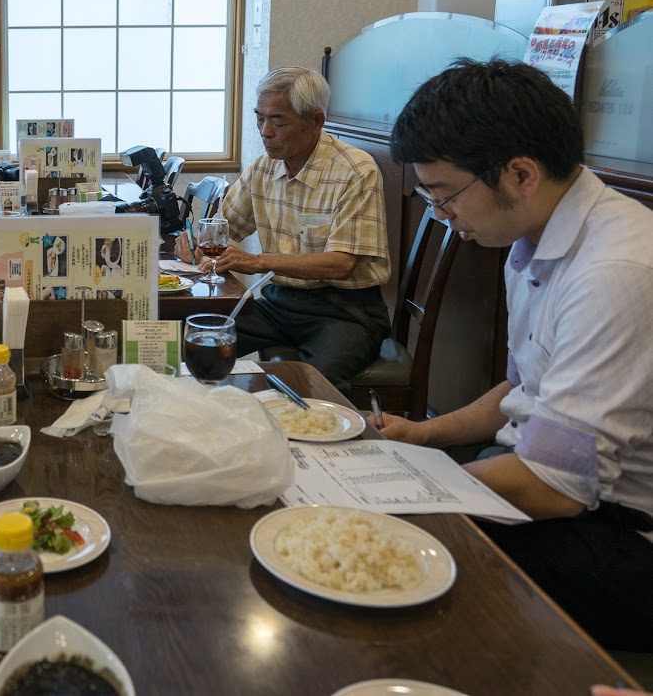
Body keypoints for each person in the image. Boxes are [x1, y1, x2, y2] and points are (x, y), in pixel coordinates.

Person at [375, 58, 653, 652]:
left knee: (394, 576)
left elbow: (557, 485)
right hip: (552, 486)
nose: (439, 214)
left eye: (445, 194)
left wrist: (407, 498)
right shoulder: (534, 237)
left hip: (619, 535)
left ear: (521, 173)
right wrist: (424, 437)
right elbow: (522, 390)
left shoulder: (616, 270)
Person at [175, 66, 391, 391]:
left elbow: (342, 263)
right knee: (182, 338)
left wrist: (258, 261)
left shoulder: (356, 171)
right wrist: (193, 242)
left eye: (278, 121)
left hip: (345, 311)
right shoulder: (264, 167)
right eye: (259, 118)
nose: (265, 131)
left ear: (315, 121)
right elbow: (222, 227)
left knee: (311, 386)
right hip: (279, 304)